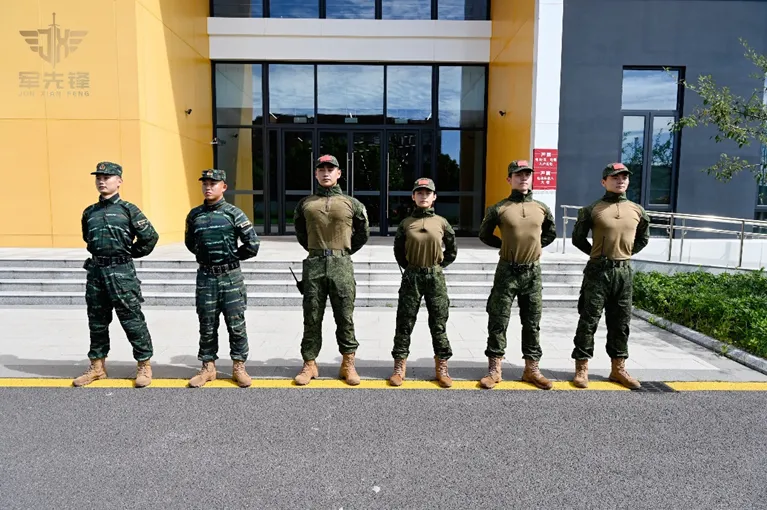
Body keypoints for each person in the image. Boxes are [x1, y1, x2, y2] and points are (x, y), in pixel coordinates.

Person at [74, 161, 159, 388]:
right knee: (97, 321)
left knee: (132, 319)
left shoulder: (128, 210)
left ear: (119, 181)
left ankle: (144, 365)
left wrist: (129, 254)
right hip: (96, 273)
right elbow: (87, 238)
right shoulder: (89, 212)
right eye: (98, 178)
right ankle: (97, 367)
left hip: (121, 274)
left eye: (107, 177)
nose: (102, 181)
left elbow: (150, 237)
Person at [477, 160, 557, 390]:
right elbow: (484, 234)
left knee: (532, 321)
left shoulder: (541, 208)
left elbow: (550, 233)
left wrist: (536, 246)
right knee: (498, 319)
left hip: (532, 272)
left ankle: (532, 369)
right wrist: (504, 245)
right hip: (507, 271)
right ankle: (495, 369)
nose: (523, 178)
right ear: (509, 179)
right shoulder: (499, 208)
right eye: (518, 174)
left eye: (527, 174)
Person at [570, 162, 650, 389]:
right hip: (598, 272)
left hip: (623, 273)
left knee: (621, 322)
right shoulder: (592, 209)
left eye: (624, 177)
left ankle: (618, 368)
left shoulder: (637, 210)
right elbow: (578, 238)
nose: (620, 180)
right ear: (604, 182)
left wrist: (625, 253)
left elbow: (643, 238)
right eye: (615, 177)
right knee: (588, 320)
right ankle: (582, 367)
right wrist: (596, 254)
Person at [293, 154, 370, 386]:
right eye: (321, 169)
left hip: (341, 265)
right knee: (311, 316)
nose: (326, 173)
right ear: (316, 173)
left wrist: (343, 252)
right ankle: (309, 363)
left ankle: (348, 363)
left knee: (345, 316)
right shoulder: (306, 204)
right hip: (314, 264)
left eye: (330, 169)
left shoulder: (352, 203)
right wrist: (316, 250)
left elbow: (363, 233)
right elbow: (301, 232)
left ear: (339, 173)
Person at [184, 169, 260, 388]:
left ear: (223, 187)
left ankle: (239, 366)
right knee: (207, 323)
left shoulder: (234, 213)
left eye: (213, 183)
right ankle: (208, 367)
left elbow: (252, 244)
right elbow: (191, 243)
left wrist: (231, 257)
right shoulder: (194, 215)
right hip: (206, 277)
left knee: (236, 324)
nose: (208, 187)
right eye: (205, 183)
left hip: (230, 278)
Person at [390, 178, 457, 388]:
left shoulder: (442, 222)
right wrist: (411, 267)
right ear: (413, 196)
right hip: (412, 277)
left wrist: (438, 266)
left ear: (434, 197)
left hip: (435, 277)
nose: (423, 196)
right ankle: (399, 367)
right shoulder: (406, 223)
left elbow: (452, 249)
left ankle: (442, 368)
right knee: (404, 322)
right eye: (419, 193)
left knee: (439, 322)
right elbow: (399, 251)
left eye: (427, 193)